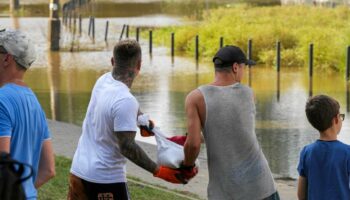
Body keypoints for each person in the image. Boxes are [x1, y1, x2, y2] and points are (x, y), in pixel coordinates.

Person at [68, 39, 195, 200]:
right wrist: (159, 171)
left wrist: (141, 118)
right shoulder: (125, 101)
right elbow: (127, 147)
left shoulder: (104, 80)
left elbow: (119, 105)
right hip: (105, 179)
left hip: (79, 171)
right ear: (139, 65)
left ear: (113, 61)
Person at [183, 45, 279, 200]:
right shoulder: (249, 94)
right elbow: (235, 131)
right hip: (262, 187)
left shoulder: (195, 98)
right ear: (235, 67)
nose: (244, 72)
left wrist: (187, 166)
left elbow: (193, 144)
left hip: (225, 192)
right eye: (244, 67)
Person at [0, 28, 55, 199]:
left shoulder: (1, 101)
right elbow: (49, 170)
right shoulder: (35, 103)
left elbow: (2, 166)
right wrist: (23, 192)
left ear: (6, 58)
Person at [297, 95, 350, 200]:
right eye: (341, 116)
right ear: (335, 120)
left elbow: (301, 194)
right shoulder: (347, 152)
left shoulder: (307, 152)